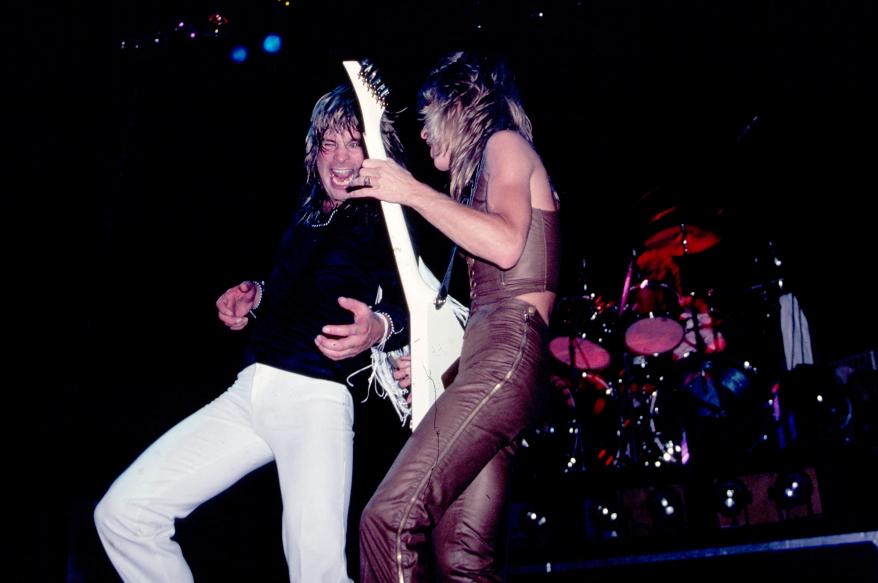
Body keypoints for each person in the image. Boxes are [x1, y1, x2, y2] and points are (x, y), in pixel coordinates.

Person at [93, 85, 408, 583]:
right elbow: (297, 286)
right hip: (249, 393)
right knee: (124, 514)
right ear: (314, 151)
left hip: (314, 399)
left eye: (355, 143)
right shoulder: (309, 211)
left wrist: (380, 326)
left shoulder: (386, 215)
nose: (342, 159)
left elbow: (417, 300)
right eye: (330, 143)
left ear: (376, 153)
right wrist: (256, 293)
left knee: (317, 575)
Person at [350, 51, 561, 582]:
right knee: (462, 558)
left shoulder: (504, 144)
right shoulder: (482, 173)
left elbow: (508, 244)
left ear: (459, 105)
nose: (422, 135)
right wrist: (432, 363)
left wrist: (409, 191)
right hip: (491, 360)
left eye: (426, 118)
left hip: (505, 354)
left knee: (388, 519)